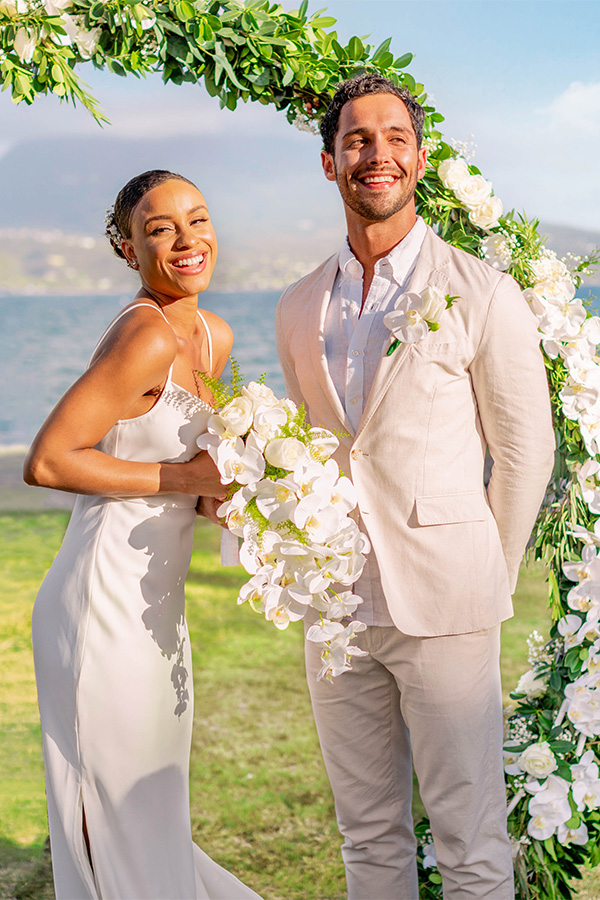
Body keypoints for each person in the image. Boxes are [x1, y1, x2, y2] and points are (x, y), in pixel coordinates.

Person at [275, 75, 555, 899]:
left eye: (395, 138)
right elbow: (316, 451)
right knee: (366, 834)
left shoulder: (481, 292)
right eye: (357, 140)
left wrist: (486, 573)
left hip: (448, 603)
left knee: (469, 837)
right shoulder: (297, 306)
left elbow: (524, 450)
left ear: (421, 159)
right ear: (330, 163)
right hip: (336, 609)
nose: (378, 154)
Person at [24, 170, 262, 900]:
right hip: (101, 603)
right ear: (130, 250)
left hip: (158, 603)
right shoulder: (144, 335)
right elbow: (49, 460)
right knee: (112, 810)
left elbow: (194, 476)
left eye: (198, 219)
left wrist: (249, 497)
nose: (187, 240)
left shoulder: (212, 336)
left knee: (152, 806)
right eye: (161, 229)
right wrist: (188, 479)